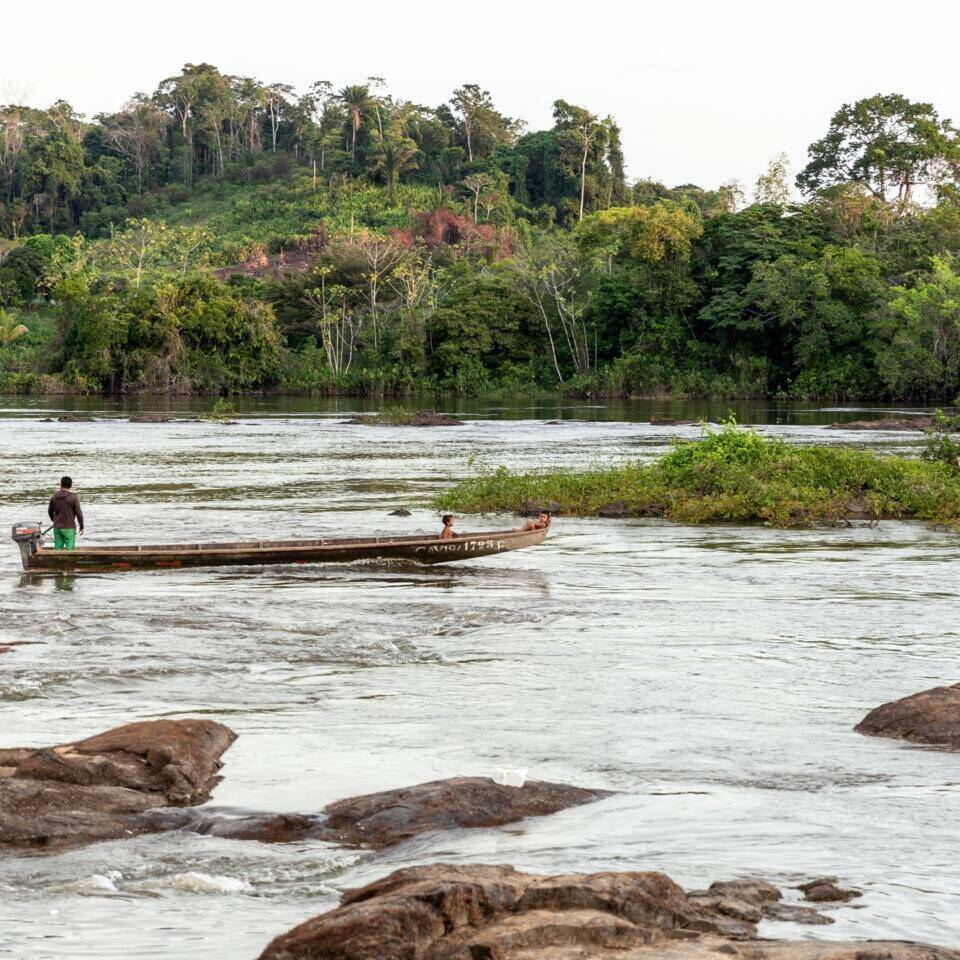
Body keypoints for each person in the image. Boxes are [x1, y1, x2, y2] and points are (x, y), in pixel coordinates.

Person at [48, 476, 84, 551]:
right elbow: (79, 513)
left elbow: (50, 512)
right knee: (70, 549)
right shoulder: (73, 498)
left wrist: (55, 521)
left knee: (58, 548)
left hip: (57, 527)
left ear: (60, 485)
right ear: (71, 486)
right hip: (69, 527)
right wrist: (82, 526)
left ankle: (58, 562)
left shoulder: (54, 497)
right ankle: (69, 563)